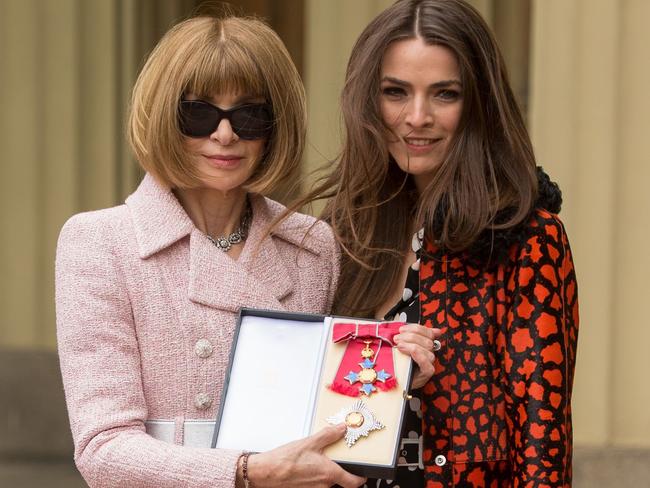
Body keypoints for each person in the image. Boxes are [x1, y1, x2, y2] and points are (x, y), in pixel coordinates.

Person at [55, 14, 372, 488]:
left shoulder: (311, 246)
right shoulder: (101, 243)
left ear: (274, 126)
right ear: (165, 116)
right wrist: (245, 471)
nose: (224, 135)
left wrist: (388, 367)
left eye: (249, 116)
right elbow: (103, 449)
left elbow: (333, 415)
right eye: (198, 114)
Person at [295, 0, 579, 486]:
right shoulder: (344, 231)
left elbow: (543, 444)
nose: (417, 116)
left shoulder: (526, 239)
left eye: (444, 94)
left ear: (479, 105)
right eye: (395, 92)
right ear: (369, 101)